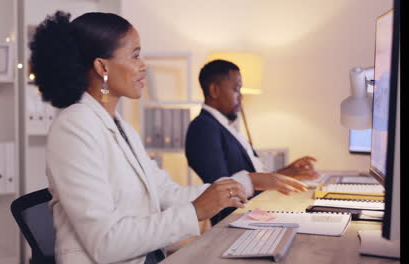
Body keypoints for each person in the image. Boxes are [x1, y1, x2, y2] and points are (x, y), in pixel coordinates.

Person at [31, 11, 308, 264]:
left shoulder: (120, 127)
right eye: (135, 55)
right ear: (103, 67)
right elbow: (106, 244)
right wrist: (195, 211)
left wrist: (246, 181)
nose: (144, 66)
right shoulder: (73, 128)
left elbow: (167, 194)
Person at [185, 59, 319, 225]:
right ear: (214, 90)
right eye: (236, 89)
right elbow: (222, 189)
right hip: (237, 221)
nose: (241, 97)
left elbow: (251, 177)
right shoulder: (203, 128)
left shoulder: (224, 126)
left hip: (254, 212)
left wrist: (286, 173)